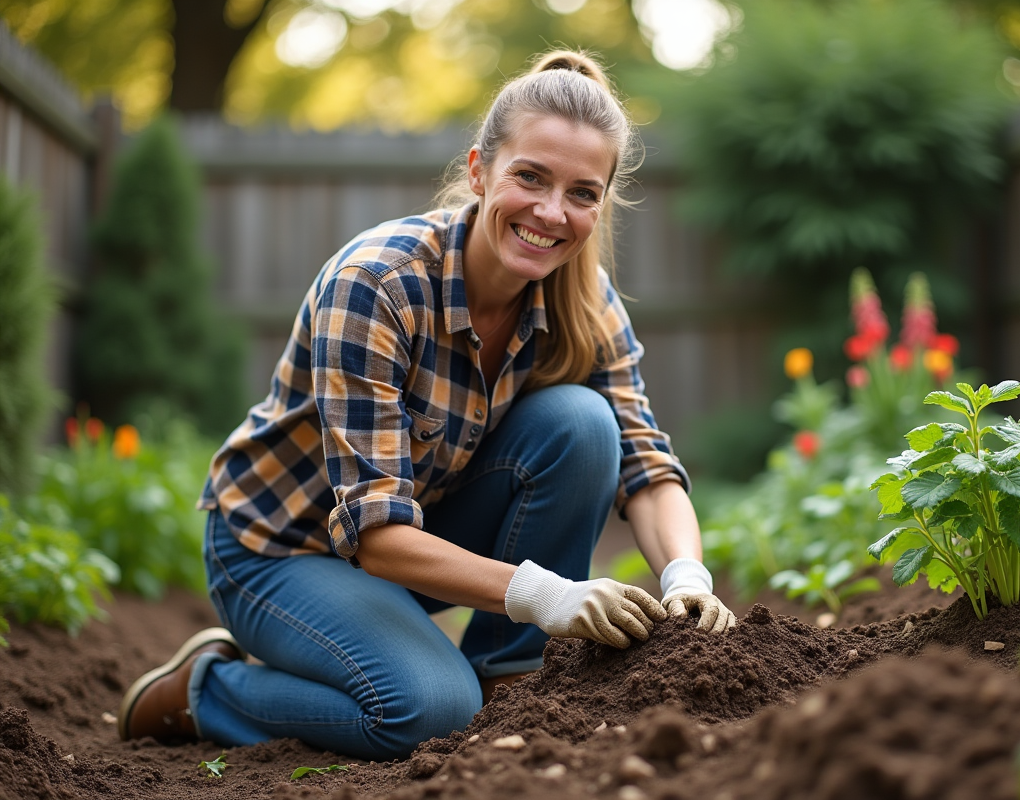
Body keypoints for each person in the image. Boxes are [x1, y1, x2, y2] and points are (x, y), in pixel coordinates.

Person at [117, 50, 735, 761]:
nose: (550, 212)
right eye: (529, 177)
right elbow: (376, 533)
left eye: (581, 192)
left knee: (584, 425)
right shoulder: (378, 285)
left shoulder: (586, 304)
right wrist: (550, 596)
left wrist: (685, 574)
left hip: (418, 537)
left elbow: (644, 464)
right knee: (430, 711)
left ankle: (513, 684)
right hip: (282, 551)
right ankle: (207, 690)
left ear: (602, 204)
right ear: (478, 170)